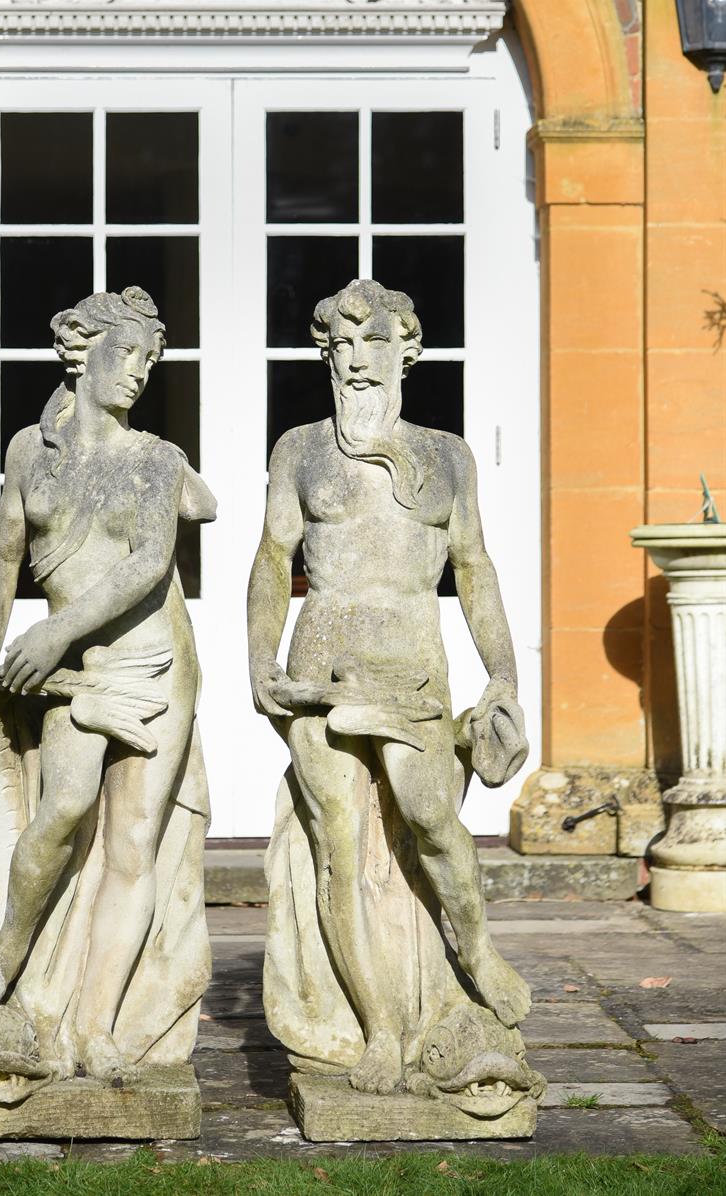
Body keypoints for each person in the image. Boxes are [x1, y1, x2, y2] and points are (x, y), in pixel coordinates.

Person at [247, 278, 530, 1096]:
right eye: (341, 344)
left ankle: (473, 948)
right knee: (339, 851)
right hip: (321, 670)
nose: (356, 360)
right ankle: (377, 1030)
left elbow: (474, 569)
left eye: (373, 343)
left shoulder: (448, 454)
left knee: (437, 823)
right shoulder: (299, 450)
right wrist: (259, 660)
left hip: (413, 668)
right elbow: (271, 561)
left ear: (408, 351)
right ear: (325, 355)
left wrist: (503, 674)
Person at [0, 285, 215, 1088]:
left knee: (133, 844)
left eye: (149, 360)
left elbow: (148, 563)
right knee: (63, 808)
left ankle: (98, 1025)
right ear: (82, 352)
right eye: (126, 355)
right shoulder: (29, 454)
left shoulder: (153, 461)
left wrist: (54, 628)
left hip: (152, 665)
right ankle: (8, 950)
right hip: (75, 676)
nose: (138, 373)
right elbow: (3, 555)